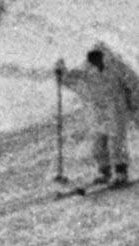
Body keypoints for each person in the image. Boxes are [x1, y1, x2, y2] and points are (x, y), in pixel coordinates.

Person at [57, 42, 139, 186]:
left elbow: (133, 83)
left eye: (98, 56)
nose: (95, 60)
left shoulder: (116, 67)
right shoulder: (87, 70)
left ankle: (121, 172)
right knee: (98, 143)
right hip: (97, 112)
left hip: (116, 108)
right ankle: (104, 171)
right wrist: (61, 73)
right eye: (92, 57)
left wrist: (135, 103)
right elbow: (73, 80)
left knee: (116, 141)